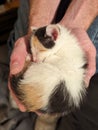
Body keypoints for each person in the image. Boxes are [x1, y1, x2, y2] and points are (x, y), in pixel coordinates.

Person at [7, 0, 98, 129]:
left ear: (55, 35)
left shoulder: (60, 46)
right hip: (52, 93)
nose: (35, 58)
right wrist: (38, 22)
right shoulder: (61, 46)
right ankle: (45, 114)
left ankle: (46, 117)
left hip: (51, 92)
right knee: (21, 46)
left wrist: (76, 22)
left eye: (38, 52)